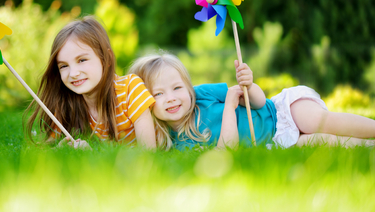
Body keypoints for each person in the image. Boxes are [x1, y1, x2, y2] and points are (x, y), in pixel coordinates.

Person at [128, 52, 375, 150]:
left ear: (189, 87)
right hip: (275, 141)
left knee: (320, 122)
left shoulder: (203, 94)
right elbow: (230, 148)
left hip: (280, 112)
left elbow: (256, 101)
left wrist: (249, 84)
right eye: (157, 94)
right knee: (324, 142)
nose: (170, 98)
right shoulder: (180, 144)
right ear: (145, 103)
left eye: (177, 88)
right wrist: (228, 109)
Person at [25, 16, 156, 149]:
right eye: (64, 66)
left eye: (82, 60)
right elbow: (44, 153)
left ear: (107, 59)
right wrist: (60, 149)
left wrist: (92, 152)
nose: (73, 73)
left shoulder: (130, 89)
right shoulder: (65, 103)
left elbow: (149, 151)